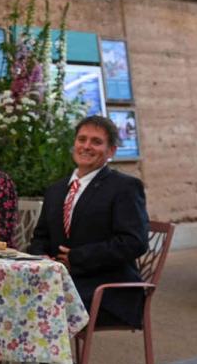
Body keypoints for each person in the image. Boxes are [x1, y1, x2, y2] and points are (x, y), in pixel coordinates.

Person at [28, 115, 148, 327]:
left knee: (39, 304)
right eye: (82, 139)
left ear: (111, 151)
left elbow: (134, 242)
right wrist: (43, 257)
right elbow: (40, 237)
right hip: (61, 282)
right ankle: (50, 362)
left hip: (109, 289)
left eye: (96, 141)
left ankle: (55, 362)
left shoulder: (125, 188)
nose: (87, 146)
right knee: (14, 293)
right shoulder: (56, 190)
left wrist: (77, 257)